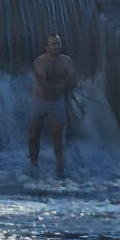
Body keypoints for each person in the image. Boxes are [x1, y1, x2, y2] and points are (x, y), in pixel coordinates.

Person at [28, 32, 78, 178]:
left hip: (57, 103)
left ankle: (60, 170)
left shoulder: (66, 61)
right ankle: (33, 165)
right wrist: (63, 85)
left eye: (58, 43)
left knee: (58, 138)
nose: (57, 47)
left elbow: (74, 80)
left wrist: (67, 85)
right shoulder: (39, 62)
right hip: (39, 102)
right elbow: (43, 83)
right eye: (53, 44)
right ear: (46, 47)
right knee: (33, 135)